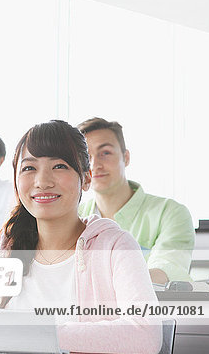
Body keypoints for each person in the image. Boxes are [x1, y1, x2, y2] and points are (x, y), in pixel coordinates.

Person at [0, 120, 161, 354]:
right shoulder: (5, 246)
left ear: (86, 178)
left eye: (59, 166)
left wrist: (36, 335)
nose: (42, 182)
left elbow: (146, 333)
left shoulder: (114, 246)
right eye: (29, 168)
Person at [77, 117, 195, 284]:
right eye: (87, 157)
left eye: (105, 153)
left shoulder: (170, 213)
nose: (95, 164)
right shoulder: (75, 217)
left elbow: (167, 269)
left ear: (126, 158)